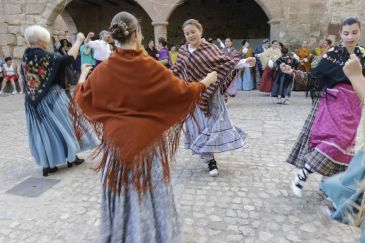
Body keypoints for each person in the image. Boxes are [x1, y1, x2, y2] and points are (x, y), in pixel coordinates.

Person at [72, 11, 217, 243]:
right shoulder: (150, 67)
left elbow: (82, 97)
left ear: (115, 37)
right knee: (151, 192)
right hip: (147, 149)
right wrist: (207, 81)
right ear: (138, 34)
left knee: (121, 194)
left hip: (116, 149)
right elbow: (183, 91)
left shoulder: (103, 70)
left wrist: (82, 76)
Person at [281, 17, 365, 197]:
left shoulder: (363, 56)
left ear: (360, 32)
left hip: (354, 108)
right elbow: (314, 78)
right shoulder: (332, 55)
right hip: (332, 104)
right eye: (346, 33)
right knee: (334, 142)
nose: (350, 37)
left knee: (346, 148)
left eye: (354, 32)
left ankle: (329, 186)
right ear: (340, 34)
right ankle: (304, 173)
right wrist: (293, 72)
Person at [172, 19, 255, 177]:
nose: (190, 35)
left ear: (200, 31)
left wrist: (244, 62)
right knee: (198, 127)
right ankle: (209, 159)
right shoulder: (183, 51)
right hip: (193, 95)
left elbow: (225, 64)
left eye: (193, 32)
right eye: (187, 33)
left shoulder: (210, 48)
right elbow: (177, 70)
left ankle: (210, 154)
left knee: (213, 125)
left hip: (211, 94)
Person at [21, 25, 98, 176]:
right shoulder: (43, 56)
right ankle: (71, 157)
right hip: (52, 99)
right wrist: (78, 41)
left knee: (43, 132)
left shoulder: (26, 57)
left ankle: (48, 164)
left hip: (32, 103)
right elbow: (67, 59)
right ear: (42, 40)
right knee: (66, 126)